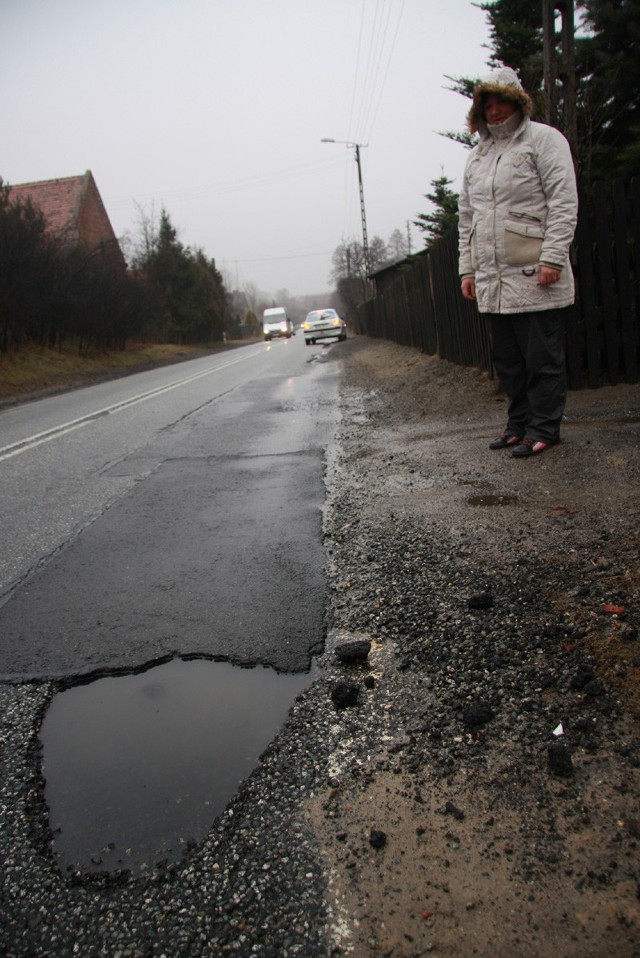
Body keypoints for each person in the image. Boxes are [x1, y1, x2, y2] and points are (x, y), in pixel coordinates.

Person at [458, 66, 578, 458]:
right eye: (487, 105)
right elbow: (467, 217)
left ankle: (544, 428)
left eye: (502, 102)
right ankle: (519, 425)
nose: (495, 112)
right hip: (493, 279)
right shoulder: (477, 157)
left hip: (535, 272)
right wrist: (468, 269)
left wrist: (553, 257)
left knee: (542, 359)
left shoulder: (544, 140)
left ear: (518, 101)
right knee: (509, 362)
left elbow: (563, 201)